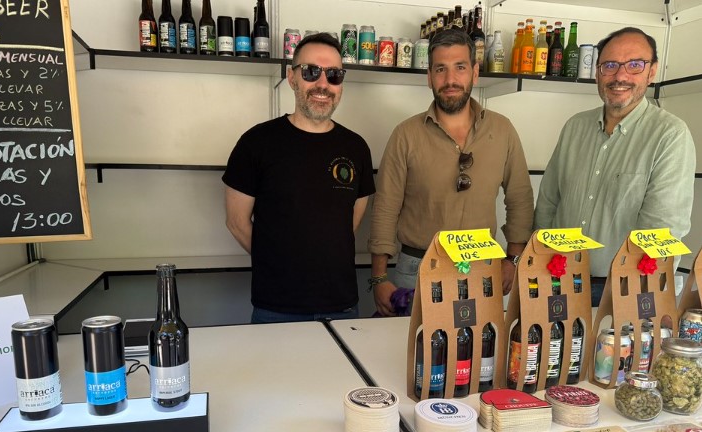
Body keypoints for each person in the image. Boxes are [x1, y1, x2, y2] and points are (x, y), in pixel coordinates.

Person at [368, 28, 534, 316]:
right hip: (417, 268)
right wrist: (379, 278)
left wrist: (514, 260)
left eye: (460, 67)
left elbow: (519, 197)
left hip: (483, 269)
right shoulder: (406, 134)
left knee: (480, 345)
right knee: (414, 344)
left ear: (475, 73)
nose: (450, 80)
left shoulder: (502, 130)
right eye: (440, 69)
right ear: (429, 76)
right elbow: (385, 206)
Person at [534, 27, 696, 306]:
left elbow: (663, 228)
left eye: (634, 65)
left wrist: (638, 300)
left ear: (652, 71)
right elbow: (548, 203)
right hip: (557, 279)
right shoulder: (575, 126)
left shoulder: (669, 135)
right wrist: (538, 262)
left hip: (622, 290)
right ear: (597, 72)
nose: (620, 76)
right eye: (609, 65)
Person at [223, 33, 375, 323]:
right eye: (310, 72)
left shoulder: (356, 147)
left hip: (341, 305)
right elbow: (236, 221)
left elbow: (349, 223)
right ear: (292, 78)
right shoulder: (256, 143)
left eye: (334, 75)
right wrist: (278, 264)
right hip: (276, 308)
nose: (323, 84)